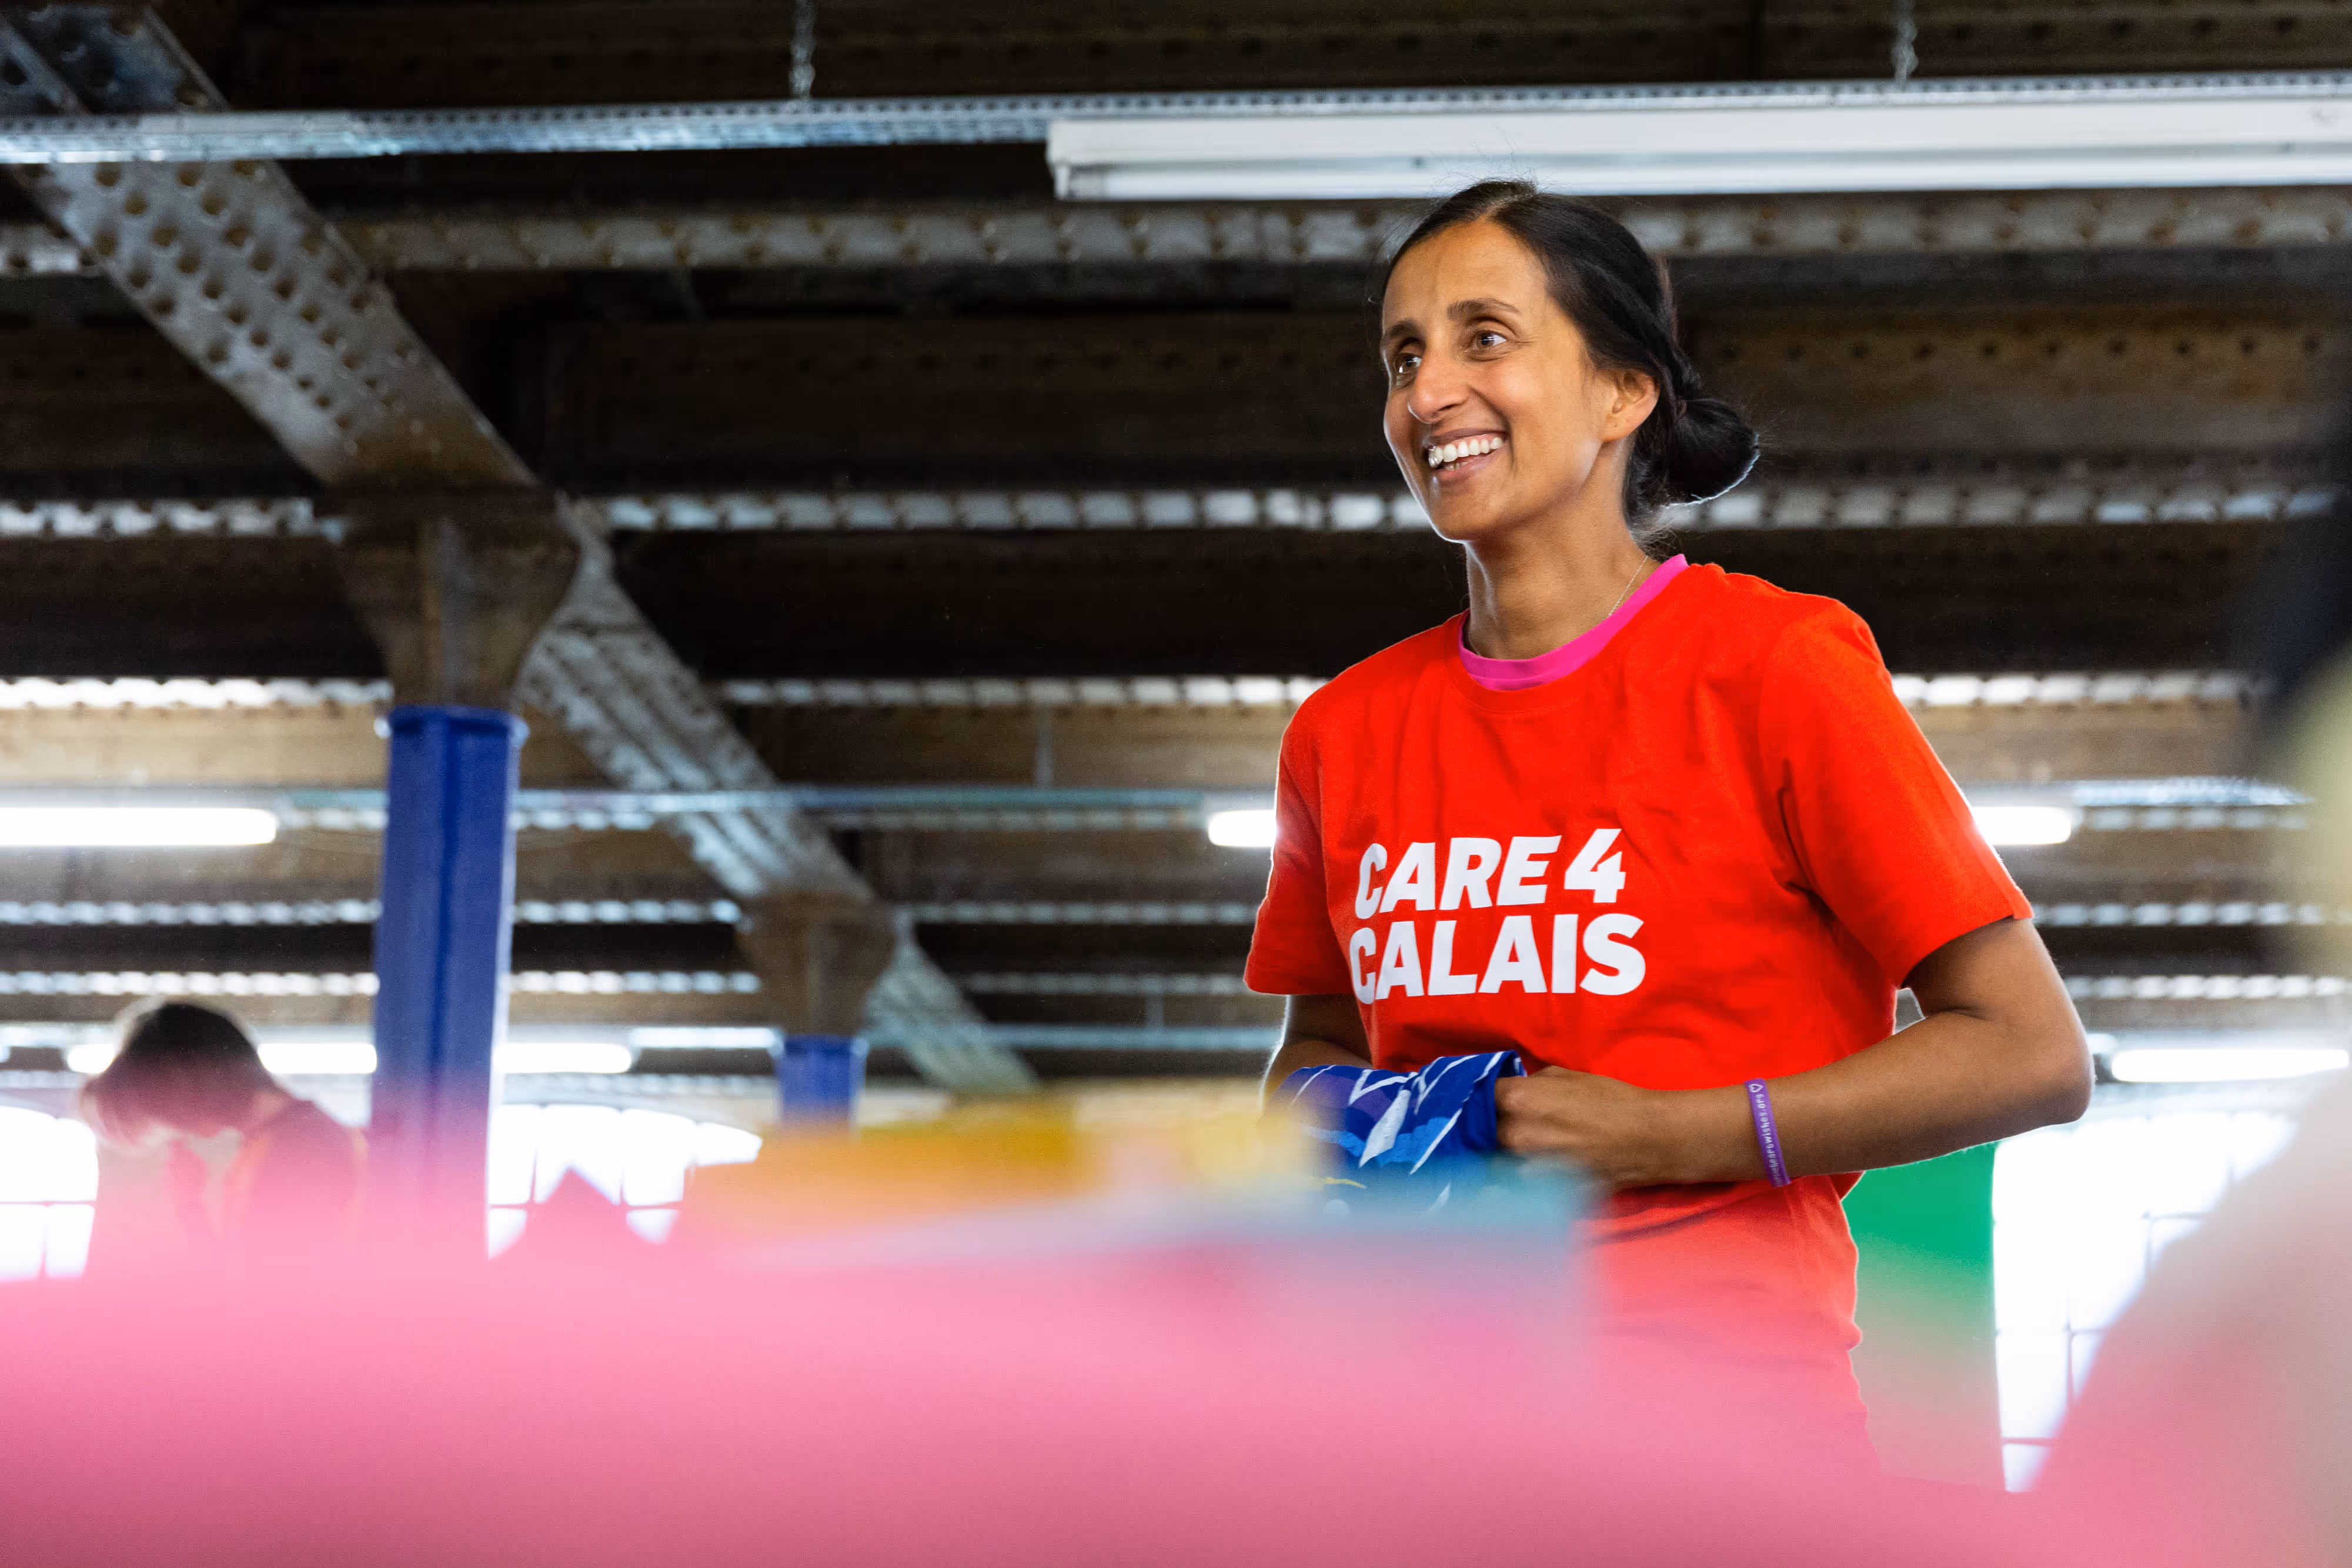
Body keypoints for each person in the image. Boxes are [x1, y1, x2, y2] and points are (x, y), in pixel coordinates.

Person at [1245, 180, 2093, 1469]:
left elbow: (2029, 1051)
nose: (1426, 395)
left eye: (1484, 337)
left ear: (1619, 391)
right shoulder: (1341, 733)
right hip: (1421, 1432)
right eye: (1402, 356)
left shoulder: (1777, 667)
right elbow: (1319, 1040)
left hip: (1721, 1438)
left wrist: (1664, 1132)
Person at [79, 1001, 363, 1251]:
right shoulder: (281, 1138)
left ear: (194, 1089)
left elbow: (249, 1297)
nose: (181, 1127)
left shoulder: (299, 1147)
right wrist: (189, 1203)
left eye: (169, 1109)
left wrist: (189, 1207)